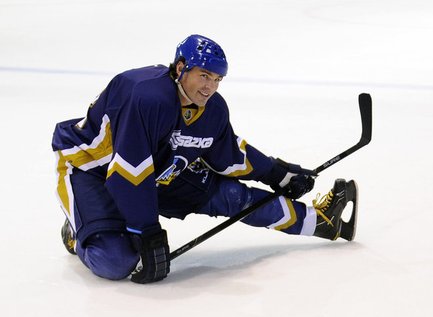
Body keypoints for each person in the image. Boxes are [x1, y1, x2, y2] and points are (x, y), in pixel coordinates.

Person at [53, 34, 357, 284]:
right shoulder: (146, 96)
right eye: (203, 75)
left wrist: (278, 173)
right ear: (181, 67)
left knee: (234, 197)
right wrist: (147, 231)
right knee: (117, 262)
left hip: (151, 168)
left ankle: (322, 222)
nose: (209, 86)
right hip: (90, 171)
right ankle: (81, 232)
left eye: (217, 79)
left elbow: (228, 154)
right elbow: (127, 174)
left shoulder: (212, 108)